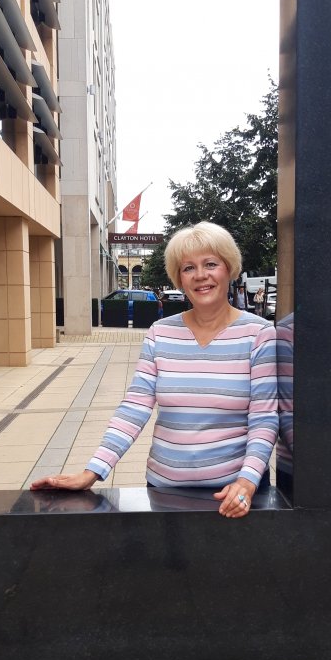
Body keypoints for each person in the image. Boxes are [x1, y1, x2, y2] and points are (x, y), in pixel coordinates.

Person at [31, 221, 278, 518]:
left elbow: (264, 417)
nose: (200, 275)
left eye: (211, 264)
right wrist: (93, 470)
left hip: (234, 494)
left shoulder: (258, 333)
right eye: (188, 268)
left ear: (229, 268)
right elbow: (135, 407)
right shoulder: (160, 333)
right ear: (179, 277)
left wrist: (247, 482)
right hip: (165, 491)